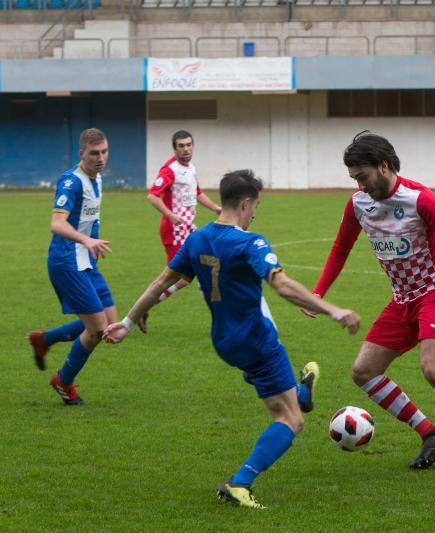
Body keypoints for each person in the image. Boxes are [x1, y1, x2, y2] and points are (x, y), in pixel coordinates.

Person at [103, 169, 360, 509]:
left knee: (282, 397)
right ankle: (239, 484)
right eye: (256, 206)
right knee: (290, 420)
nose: (255, 213)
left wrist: (127, 321)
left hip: (224, 343)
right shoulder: (248, 242)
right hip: (257, 341)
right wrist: (332, 309)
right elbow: (281, 285)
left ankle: (302, 392)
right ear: (244, 202)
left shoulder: (197, 239)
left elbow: (160, 282)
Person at [304, 131, 435, 475]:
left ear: (383, 167)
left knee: (433, 369)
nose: (360, 186)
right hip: (401, 300)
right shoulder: (357, 203)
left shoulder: (420, 199)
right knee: (364, 372)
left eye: (362, 177)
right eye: (354, 179)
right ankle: (431, 434)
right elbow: (340, 250)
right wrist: (318, 293)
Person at [26, 128, 125, 405]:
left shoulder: (98, 179)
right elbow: (56, 224)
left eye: (104, 151)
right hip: (66, 261)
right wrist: (86, 240)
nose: (101, 158)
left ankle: (45, 339)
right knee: (96, 330)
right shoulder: (71, 182)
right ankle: (63, 381)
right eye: (94, 153)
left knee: (109, 320)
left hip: (86, 259)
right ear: (81, 153)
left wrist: (90, 243)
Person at [138, 130, 222, 332]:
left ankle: (142, 309)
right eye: (181, 146)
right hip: (174, 232)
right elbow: (152, 196)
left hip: (189, 231)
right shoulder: (169, 170)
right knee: (186, 275)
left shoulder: (190, 168)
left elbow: (198, 193)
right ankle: (220, 318)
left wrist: (217, 208)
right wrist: (170, 215)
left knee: (187, 276)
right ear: (174, 148)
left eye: (189, 144)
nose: (186, 149)